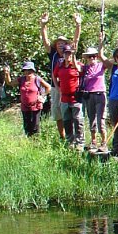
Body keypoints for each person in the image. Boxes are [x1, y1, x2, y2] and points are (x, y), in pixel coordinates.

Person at [41, 11, 82, 141]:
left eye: (63, 42)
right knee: (58, 113)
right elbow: (45, 41)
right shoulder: (52, 54)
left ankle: (75, 137)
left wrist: (78, 25)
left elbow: (76, 40)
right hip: (56, 88)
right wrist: (43, 26)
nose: (60, 44)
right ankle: (63, 137)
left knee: (73, 114)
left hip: (70, 88)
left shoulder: (69, 54)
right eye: (58, 43)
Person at [2, 61, 50, 137]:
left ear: (33, 71)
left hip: (36, 106)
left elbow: (48, 87)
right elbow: (10, 83)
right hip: (25, 106)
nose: (28, 72)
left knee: (35, 126)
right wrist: (7, 73)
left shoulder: (37, 79)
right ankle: (28, 140)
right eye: (26, 70)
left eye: (30, 70)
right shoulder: (21, 79)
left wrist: (42, 96)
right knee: (27, 126)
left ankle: (36, 140)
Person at [52, 44, 85, 148]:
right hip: (64, 98)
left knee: (78, 121)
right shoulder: (60, 65)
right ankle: (69, 141)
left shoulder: (77, 65)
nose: (68, 56)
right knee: (66, 120)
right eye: (66, 53)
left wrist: (74, 57)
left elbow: (81, 71)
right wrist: (57, 86)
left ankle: (80, 143)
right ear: (63, 54)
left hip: (76, 98)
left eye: (70, 53)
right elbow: (54, 75)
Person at [80, 43, 107, 152]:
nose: (92, 58)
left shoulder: (101, 65)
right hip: (89, 95)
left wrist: (101, 43)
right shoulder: (85, 68)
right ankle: (93, 141)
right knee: (91, 119)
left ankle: (104, 142)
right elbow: (75, 66)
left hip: (100, 94)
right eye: (90, 57)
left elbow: (108, 61)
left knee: (101, 120)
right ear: (86, 58)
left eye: (94, 56)